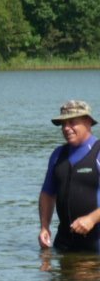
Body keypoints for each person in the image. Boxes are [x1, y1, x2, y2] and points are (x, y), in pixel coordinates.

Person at [39, 100, 100, 252]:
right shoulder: (57, 155)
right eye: (63, 124)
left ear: (87, 122)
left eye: (72, 122)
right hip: (64, 243)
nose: (66, 128)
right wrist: (44, 227)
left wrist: (91, 219)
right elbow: (47, 194)